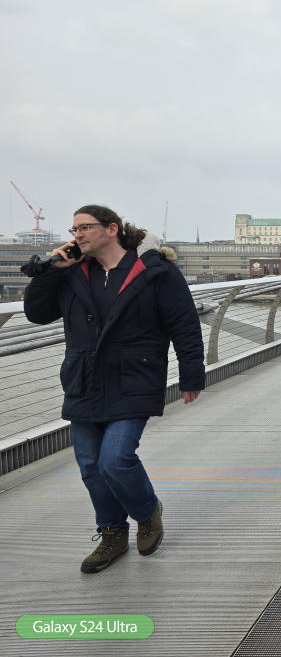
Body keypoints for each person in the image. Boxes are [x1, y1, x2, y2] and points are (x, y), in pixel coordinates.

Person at [23, 205, 204, 574]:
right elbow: (37, 313)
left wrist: (191, 374)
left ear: (112, 229)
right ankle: (112, 534)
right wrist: (51, 272)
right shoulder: (73, 273)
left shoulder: (155, 271)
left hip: (134, 377)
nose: (77, 235)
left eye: (85, 227)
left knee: (115, 459)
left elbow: (183, 323)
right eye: (73, 229)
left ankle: (147, 511)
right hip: (84, 380)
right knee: (90, 465)